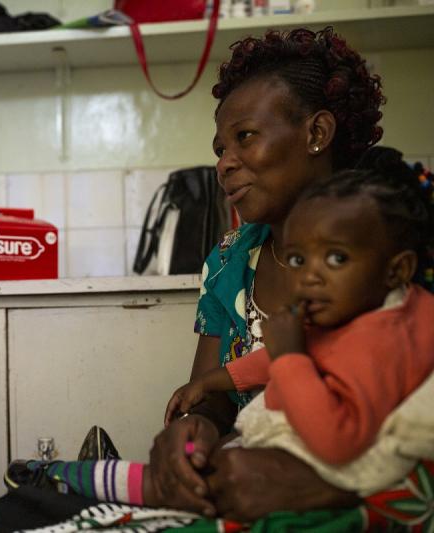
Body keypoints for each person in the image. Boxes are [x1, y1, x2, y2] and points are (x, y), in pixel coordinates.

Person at [147, 26, 434, 523]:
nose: (225, 164)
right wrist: (195, 429)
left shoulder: (403, 242)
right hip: (245, 484)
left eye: (245, 138)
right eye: (220, 149)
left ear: (316, 134)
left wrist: (317, 487)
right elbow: (214, 395)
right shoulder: (228, 262)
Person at [164, 151, 434, 495]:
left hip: (330, 464)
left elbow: (338, 442)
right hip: (280, 445)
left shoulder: (385, 338)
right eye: (297, 259)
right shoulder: (343, 312)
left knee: (211, 478)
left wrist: (291, 359)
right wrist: (210, 383)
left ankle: (118, 488)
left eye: (336, 258)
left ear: (397, 270)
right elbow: (271, 356)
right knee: (198, 466)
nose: (309, 277)